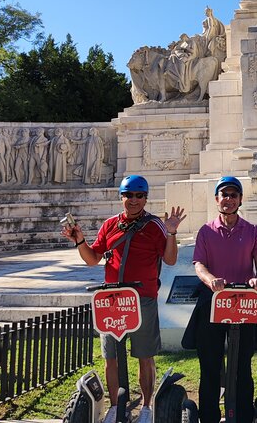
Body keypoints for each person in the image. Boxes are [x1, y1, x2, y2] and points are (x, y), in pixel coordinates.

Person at [60, 175, 186, 423]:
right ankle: (117, 407)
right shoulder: (109, 225)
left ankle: (147, 407)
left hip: (142, 298)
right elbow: (93, 259)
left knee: (145, 355)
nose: (134, 200)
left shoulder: (154, 226)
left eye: (139, 195)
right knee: (111, 357)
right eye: (129, 195)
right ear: (122, 197)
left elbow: (170, 259)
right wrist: (80, 241)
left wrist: (171, 232)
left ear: (146, 198)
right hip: (112, 300)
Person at [192, 176, 257, 423]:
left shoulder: (252, 231)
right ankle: (209, 418)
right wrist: (210, 279)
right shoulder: (206, 231)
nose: (228, 199)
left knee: (242, 366)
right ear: (217, 199)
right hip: (213, 302)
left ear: (240, 200)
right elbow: (199, 264)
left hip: (243, 304)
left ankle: (244, 416)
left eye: (233, 195)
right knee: (210, 365)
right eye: (224, 194)